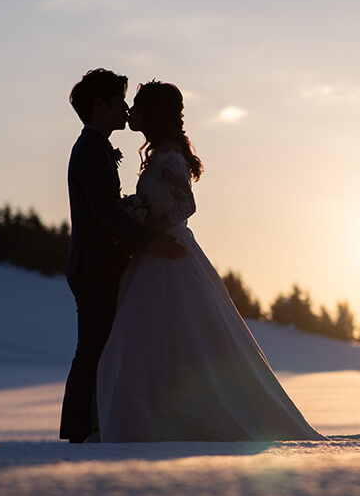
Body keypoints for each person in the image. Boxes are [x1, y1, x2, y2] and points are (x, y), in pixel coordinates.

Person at [96, 81, 323, 441]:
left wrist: (147, 226)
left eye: (137, 105)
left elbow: (184, 204)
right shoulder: (163, 153)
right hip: (157, 252)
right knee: (147, 341)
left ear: (152, 113)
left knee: (162, 338)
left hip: (167, 254)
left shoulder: (168, 155)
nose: (131, 111)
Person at [59, 69, 186, 443]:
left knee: (104, 344)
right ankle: (82, 429)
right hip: (93, 266)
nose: (126, 109)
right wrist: (148, 240)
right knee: (95, 345)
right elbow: (104, 211)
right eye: (119, 103)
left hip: (102, 264)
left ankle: (95, 423)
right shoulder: (90, 150)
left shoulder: (95, 147)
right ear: (100, 106)